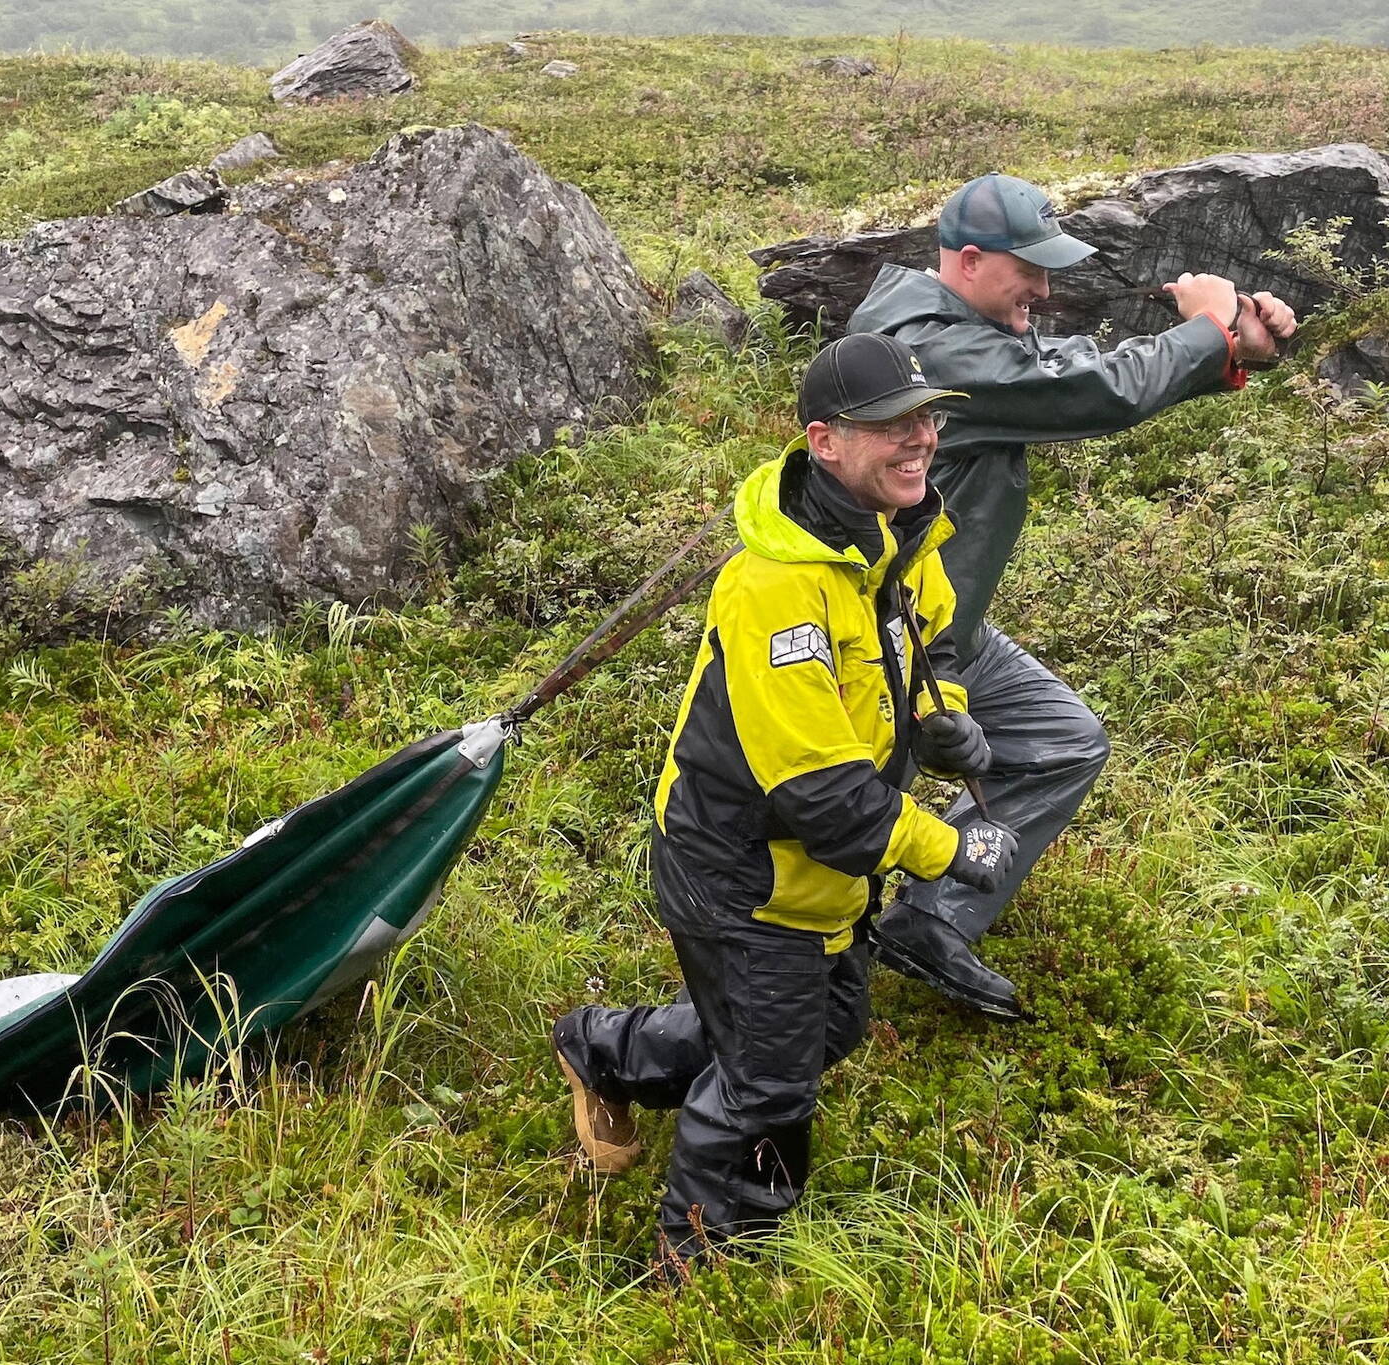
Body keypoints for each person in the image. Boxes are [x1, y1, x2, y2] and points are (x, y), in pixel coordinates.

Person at [552, 333, 1018, 1267]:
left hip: (819, 875)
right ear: (825, 442)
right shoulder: (773, 588)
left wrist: (944, 715)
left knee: (827, 1026)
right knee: (770, 1085)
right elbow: (826, 797)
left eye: (926, 417)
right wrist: (951, 849)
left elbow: (932, 644)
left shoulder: (897, 532)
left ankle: (605, 1050)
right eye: (892, 425)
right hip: (741, 870)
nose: (920, 439)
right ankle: (708, 1269)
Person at [846, 174, 1299, 1017]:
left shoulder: (958, 330)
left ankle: (930, 919)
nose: (1046, 290)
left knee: (1063, 740)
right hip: (879, 642)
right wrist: (1207, 328)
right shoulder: (927, 352)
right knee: (848, 818)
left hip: (949, 622)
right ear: (971, 260)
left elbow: (1061, 371)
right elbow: (1087, 390)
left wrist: (1226, 348)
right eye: (1032, 270)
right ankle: (769, 995)